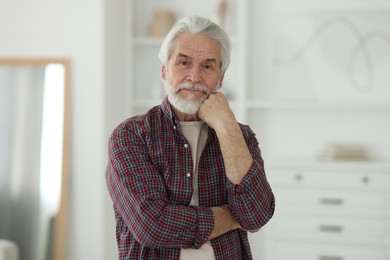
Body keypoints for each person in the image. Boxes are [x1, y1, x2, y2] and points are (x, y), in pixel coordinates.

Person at [105, 15, 275, 259]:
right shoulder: (131, 136)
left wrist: (226, 126)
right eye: (184, 63)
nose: (194, 77)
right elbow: (152, 225)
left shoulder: (242, 137)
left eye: (207, 66)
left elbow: (257, 216)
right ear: (164, 70)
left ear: (220, 78)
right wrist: (233, 216)